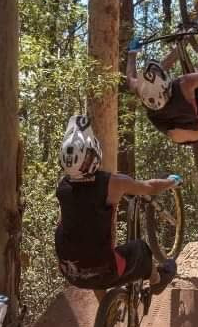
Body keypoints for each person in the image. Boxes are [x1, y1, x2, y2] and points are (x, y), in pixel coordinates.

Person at [55, 115, 179, 301]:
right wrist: (171, 182)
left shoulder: (62, 187)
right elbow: (150, 188)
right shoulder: (113, 183)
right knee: (141, 249)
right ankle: (157, 281)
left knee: (88, 250)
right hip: (106, 270)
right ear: (93, 153)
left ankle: (106, 308)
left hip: (71, 272)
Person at [125, 25, 198, 144]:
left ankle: (182, 45)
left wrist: (132, 52)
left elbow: (130, 79)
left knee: (169, 75)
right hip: (197, 129)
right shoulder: (184, 84)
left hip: (177, 134)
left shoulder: (144, 92)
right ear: (167, 86)